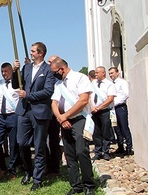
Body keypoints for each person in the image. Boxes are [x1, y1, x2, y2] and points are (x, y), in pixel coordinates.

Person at [12, 42, 56, 191]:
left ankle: (38, 178)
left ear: (40, 53)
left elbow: (48, 91)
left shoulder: (48, 70)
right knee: (22, 143)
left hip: (40, 111)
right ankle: (28, 171)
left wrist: (29, 95)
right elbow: (15, 84)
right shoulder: (27, 68)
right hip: (24, 110)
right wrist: (15, 70)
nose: (31, 53)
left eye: (33, 51)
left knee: (39, 146)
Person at [50, 57, 95, 195]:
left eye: (54, 72)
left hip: (79, 119)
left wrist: (66, 116)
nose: (54, 75)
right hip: (64, 121)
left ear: (62, 69)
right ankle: (75, 185)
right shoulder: (59, 84)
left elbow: (83, 100)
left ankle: (89, 185)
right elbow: (54, 103)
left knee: (82, 152)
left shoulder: (80, 78)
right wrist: (61, 118)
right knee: (69, 155)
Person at [0, 62, 20, 180]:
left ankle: (13, 169)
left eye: (6, 71)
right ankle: (3, 167)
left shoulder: (17, 84)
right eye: (2, 71)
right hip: (0, 117)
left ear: (11, 70)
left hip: (13, 116)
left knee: (13, 144)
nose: (4, 74)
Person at [90, 66, 116, 161]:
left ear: (103, 73)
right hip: (94, 111)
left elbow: (110, 98)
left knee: (106, 131)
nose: (95, 74)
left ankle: (106, 151)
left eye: (97, 73)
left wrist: (99, 108)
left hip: (105, 111)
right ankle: (98, 151)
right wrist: (92, 107)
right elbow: (89, 96)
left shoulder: (109, 84)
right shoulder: (93, 83)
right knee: (96, 132)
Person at [108, 67, 133, 156]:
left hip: (120, 107)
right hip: (113, 109)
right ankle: (120, 146)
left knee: (124, 127)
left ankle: (129, 147)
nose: (111, 75)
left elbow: (126, 94)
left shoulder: (122, 82)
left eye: (112, 73)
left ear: (117, 73)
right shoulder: (111, 84)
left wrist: (115, 102)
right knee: (116, 128)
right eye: (110, 74)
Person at [46, 55, 62, 175]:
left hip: (56, 113)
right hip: (45, 111)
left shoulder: (60, 79)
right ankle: (47, 164)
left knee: (54, 141)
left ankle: (55, 166)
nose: (49, 64)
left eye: (51, 62)